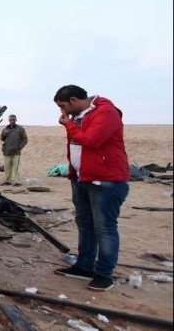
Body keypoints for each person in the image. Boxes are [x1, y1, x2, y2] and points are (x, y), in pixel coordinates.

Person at [52, 84, 129, 292]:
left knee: (104, 228)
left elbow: (91, 140)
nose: (62, 111)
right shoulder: (79, 116)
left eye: (63, 106)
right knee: (85, 224)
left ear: (74, 101)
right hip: (82, 178)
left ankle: (104, 274)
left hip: (105, 180)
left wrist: (68, 125)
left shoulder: (105, 112)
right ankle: (84, 266)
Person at [0, 114, 28, 186]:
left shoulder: (20, 129)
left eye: (13, 120)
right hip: (7, 151)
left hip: (16, 151)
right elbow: (2, 138)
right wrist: (4, 134)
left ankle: (17, 181)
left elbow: (25, 139)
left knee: (17, 167)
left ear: (16, 120)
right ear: (9, 120)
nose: (12, 121)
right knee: (7, 167)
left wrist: (20, 147)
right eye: (10, 120)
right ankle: (8, 180)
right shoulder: (5, 128)